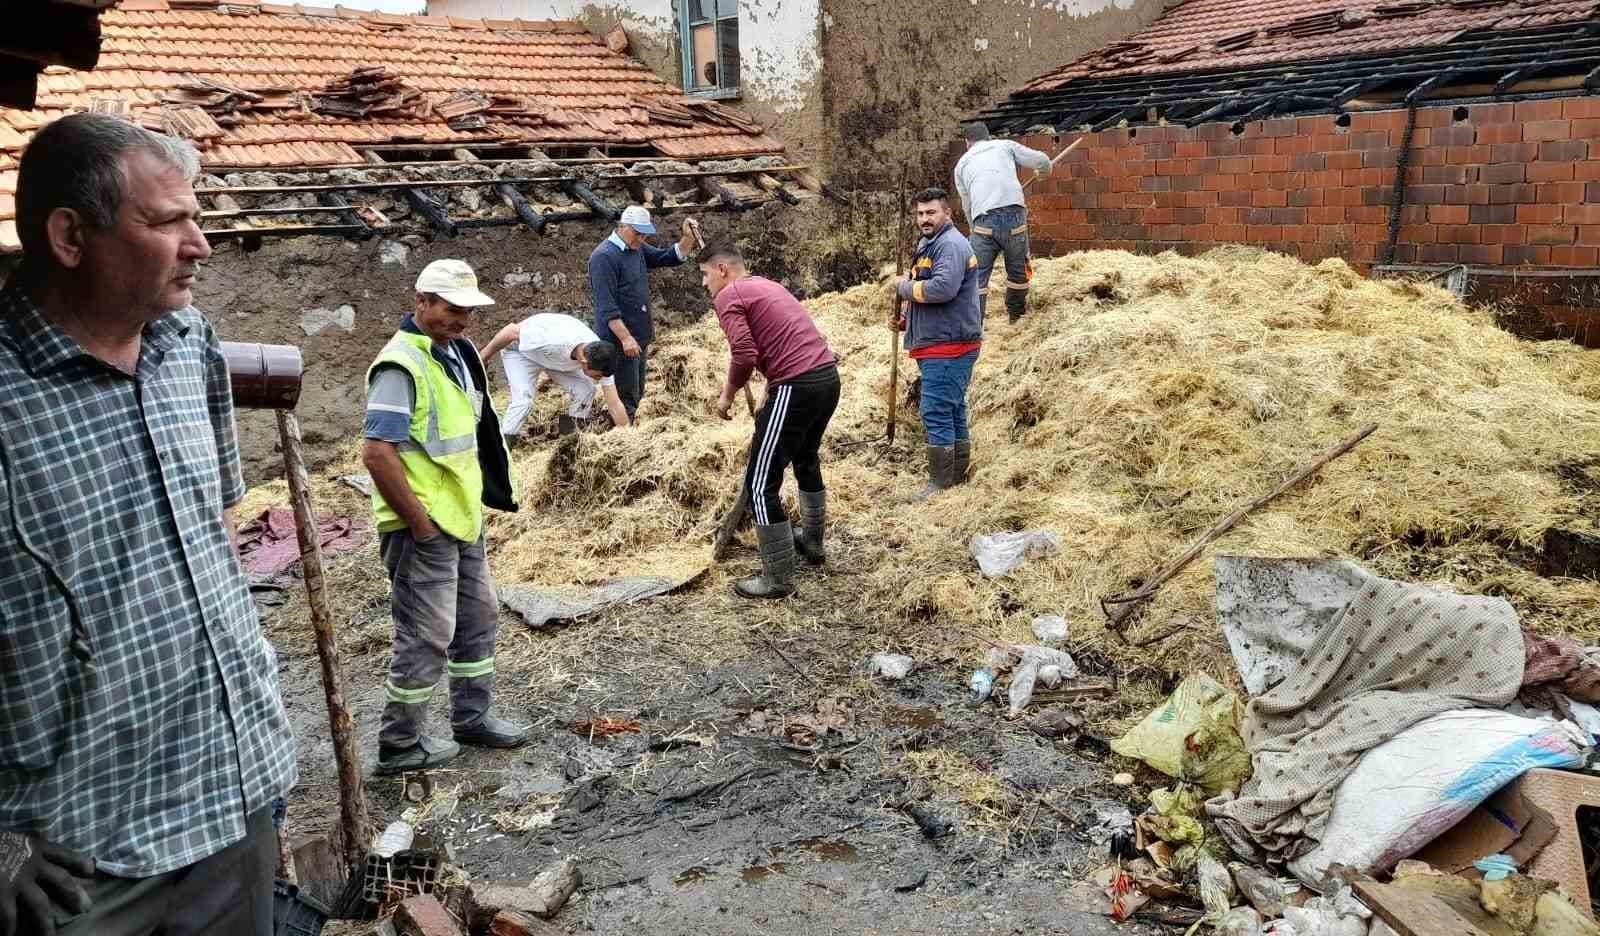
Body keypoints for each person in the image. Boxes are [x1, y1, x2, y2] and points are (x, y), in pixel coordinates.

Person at [0, 113, 296, 936]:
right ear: (70, 237)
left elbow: (207, 537)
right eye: (169, 222)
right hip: (78, 865)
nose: (200, 244)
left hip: (233, 808)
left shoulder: (186, 344)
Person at [362, 259, 529, 777]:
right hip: (423, 527)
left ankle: (471, 719)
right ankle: (400, 742)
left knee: (478, 619)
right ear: (422, 302)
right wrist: (418, 521)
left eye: (468, 311)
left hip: (461, 518)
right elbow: (376, 452)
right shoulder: (401, 364)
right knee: (427, 633)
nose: (463, 320)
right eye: (453, 310)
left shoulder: (453, 355)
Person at [698, 242, 840, 599]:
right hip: (825, 377)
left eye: (704, 274)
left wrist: (727, 394)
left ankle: (777, 580)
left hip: (796, 384)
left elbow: (744, 353)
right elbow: (786, 339)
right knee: (805, 457)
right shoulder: (769, 285)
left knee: (761, 483)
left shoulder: (729, 295)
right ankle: (812, 542)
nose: (704, 284)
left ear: (723, 270)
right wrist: (769, 387)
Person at [894, 187, 982, 502]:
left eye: (931, 212)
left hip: (950, 344)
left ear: (947, 212)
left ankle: (941, 485)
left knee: (935, 411)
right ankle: (957, 476)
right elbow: (926, 285)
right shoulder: (929, 244)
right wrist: (907, 317)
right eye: (919, 213)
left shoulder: (951, 245)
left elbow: (943, 289)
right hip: (937, 340)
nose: (924, 219)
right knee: (952, 408)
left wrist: (903, 289)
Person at [586, 206, 700, 420]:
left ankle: (631, 429)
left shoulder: (636, 247)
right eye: (637, 233)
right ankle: (622, 439)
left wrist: (687, 238)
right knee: (626, 395)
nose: (642, 238)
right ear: (622, 226)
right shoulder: (603, 257)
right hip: (620, 342)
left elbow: (666, 257)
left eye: (644, 233)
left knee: (637, 391)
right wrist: (625, 338)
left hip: (638, 337)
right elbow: (606, 306)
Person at [952, 121, 1052, 323]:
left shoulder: (961, 165)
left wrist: (974, 230)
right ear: (988, 137)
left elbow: (967, 205)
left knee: (975, 278)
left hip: (983, 223)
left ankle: (974, 327)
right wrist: (1043, 174)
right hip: (1015, 219)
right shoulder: (1005, 145)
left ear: (967, 142)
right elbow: (1042, 161)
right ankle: (1016, 317)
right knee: (1017, 272)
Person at [479, 312, 629, 442]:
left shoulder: (600, 356)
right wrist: (482, 357)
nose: (598, 379)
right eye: (596, 376)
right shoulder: (552, 340)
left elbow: (614, 404)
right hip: (520, 353)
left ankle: (569, 443)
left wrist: (627, 437)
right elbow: (511, 331)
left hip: (554, 360)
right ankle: (502, 451)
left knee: (586, 388)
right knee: (524, 402)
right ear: (584, 363)